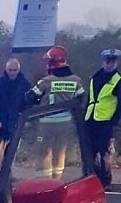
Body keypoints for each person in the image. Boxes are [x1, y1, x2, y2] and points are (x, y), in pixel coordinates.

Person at [26, 45, 86, 179]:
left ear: (52, 63)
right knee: (60, 153)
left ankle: (46, 182)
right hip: (66, 123)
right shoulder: (76, 80)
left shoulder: (46, 81)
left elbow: (30, 97)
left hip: (46, 123)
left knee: (45, 153)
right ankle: (57, 181)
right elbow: (81, 100)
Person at [84, 48, 121, 188]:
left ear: (116, 63)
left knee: (105, 153)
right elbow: (89, 99)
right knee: (89, 153)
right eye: (107, 61)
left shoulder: (118, 81)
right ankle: (92, 179)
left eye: (113, 61)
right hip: (91, 120)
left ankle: (105, 182)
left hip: (106, 122)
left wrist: (114, 121)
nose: (110, 64)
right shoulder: (95, 78)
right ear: (103, 62)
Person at [0, 58, 32, 170]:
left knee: (13, 150)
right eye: (10, 70)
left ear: (18, 70)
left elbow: (29, 102)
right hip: (2, 121)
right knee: (0, 149)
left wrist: (25, 118)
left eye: (14, 70)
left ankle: (9, 172)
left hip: (17, 121)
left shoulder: (25, 84)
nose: (12, 72)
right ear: (6, 69)